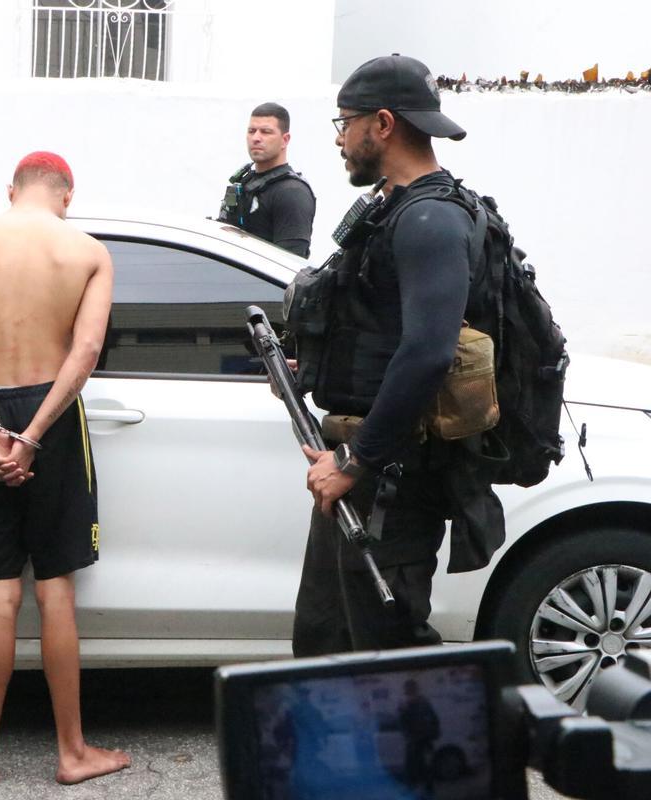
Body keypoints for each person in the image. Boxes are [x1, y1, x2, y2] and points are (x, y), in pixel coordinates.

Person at [0, 151, 128, 787]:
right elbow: (87, 349)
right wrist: (35, 434)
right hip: (54, 419)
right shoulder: (88, 252)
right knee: (56, 591)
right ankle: (72, 753)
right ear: (68, 193)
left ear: (10, 189)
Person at [288, 54, 478, 656]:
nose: (341, 138)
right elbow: (376, 324)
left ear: (384, 123)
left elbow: (427, 351)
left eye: (346, 122)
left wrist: (354, 460)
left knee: (379, 658)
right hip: (358, 469)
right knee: (324, 645)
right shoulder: (390, 207)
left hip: (389, 476)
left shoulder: (431, 218)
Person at [217, 102, 316, 258]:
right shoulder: (245, 181)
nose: (256, 138)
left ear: (285, 140)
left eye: (266, 132)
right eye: (251, 131)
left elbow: (290, 265)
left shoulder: (292, 192)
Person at [398, 679, 440, 796]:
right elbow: (402, 723)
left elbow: (434, 720)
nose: (408, 691)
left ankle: (427, 790)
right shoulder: (404, 704)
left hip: (424, 742)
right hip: (414, 743)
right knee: (412, 767)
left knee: (426, 767)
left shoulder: (424, 702)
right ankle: (415, 789)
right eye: (408, 689)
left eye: (410, 688)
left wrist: (432, 734)